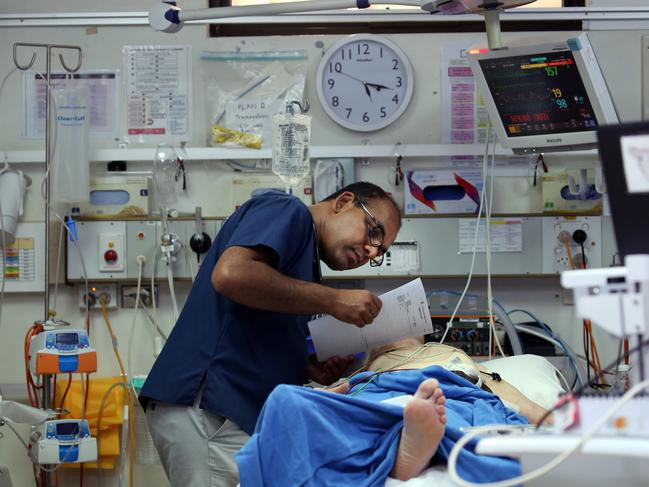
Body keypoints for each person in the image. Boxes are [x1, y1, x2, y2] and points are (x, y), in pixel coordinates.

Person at [138, 182, 402, 486]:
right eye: (374, 232)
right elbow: (231, 274)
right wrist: (334, 300)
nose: (371, 251)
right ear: (343, 202)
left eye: (380, 252)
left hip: (228, 410)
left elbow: (252, 321)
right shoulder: (287, 210)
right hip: (209, 407)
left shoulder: (305, 261)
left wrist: (306, 365)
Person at [236, 338, 552, 486]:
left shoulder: (462, 361)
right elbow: (331, 403)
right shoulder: (366, 369)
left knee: (446, 411)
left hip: (448, 391)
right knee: (285, 400)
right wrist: (328, 391)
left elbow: (531, 410)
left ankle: (404, 446)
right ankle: (406, 449)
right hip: (373, 395)